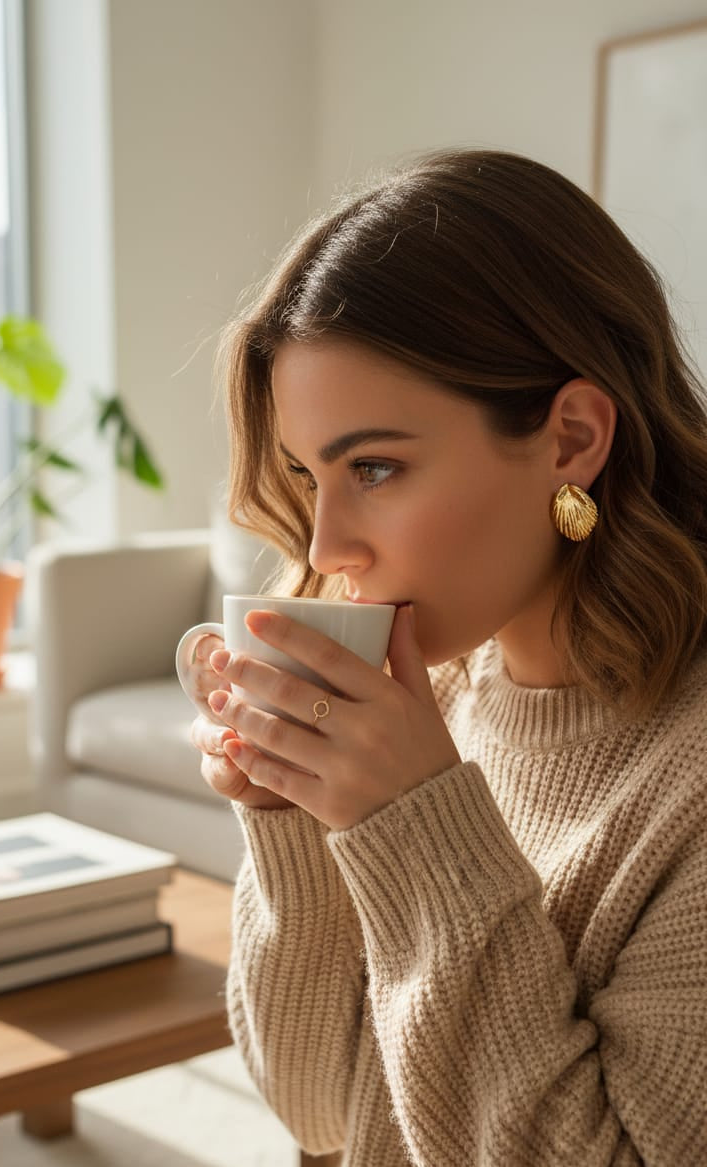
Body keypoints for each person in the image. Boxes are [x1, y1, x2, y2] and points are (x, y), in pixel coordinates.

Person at [182, 148, 707, 1165]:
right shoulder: (442, 693)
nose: (327, 547)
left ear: (569, 440)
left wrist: (418, 827)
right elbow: (317, 1110)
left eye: (374, 466)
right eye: (308, 474)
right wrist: (291, 816)